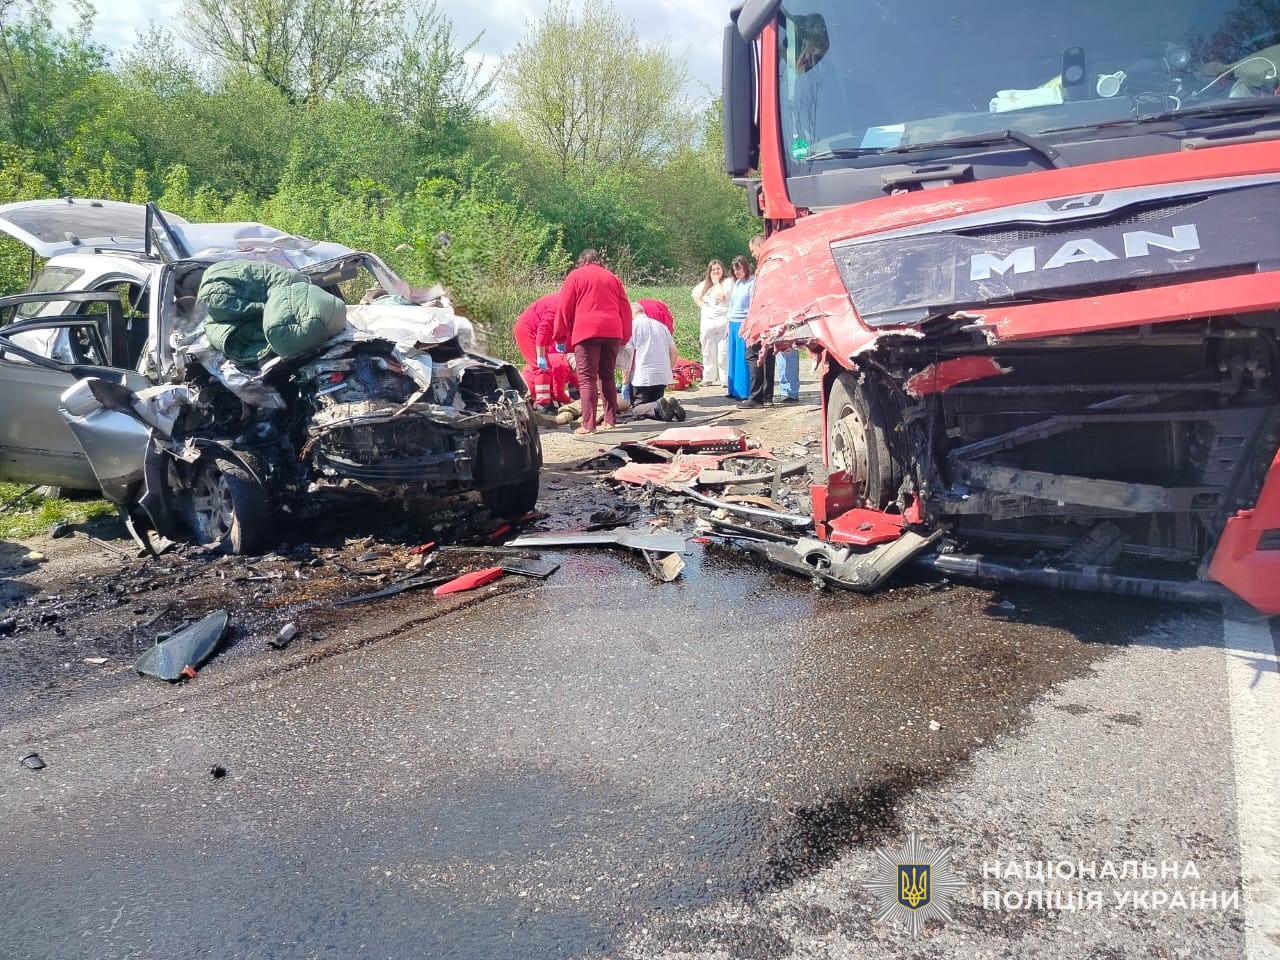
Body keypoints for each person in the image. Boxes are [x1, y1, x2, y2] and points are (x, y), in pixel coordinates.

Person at [553, 249, 632, 435]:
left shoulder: (575, 276)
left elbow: (564, 308)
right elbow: (625, 309)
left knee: (587, 378)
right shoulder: (613, 278)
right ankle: (610, 421)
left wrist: (560, 336)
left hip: (586, 332)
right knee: (607, 376)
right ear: (599, 261)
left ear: (581, 261)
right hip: (613, 332)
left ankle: (589, 425)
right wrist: (625, 336)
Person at [626, 302, 685, 422]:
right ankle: (671, 409)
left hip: (642, 377)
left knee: (636, 409)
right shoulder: (662, 326)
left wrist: (625, 381)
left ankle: (657, 406)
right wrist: (668, 369)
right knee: (661, 411)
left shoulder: (632, 327)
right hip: (662, 376)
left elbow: (628, 355)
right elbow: (674, 352)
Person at [513, 293, 571, 409]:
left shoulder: (570, 305)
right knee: (541, 367)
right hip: (528, 331)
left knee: (549, 368)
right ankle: (543, 404)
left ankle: (548, 400)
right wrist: (540, 356)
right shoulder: (559, 306)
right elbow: (543, 330)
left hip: (543, 333)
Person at [691, 260, 731, 386]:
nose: (715, 271)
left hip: (722, 319)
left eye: (718, 269)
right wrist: (702, 306)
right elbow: (695, 295)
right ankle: (708, 377)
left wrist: (717, 282)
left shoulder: (728, 282)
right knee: (707, 350)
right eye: (713, 270)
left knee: (723, 352)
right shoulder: (704, 284)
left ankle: (725, 378)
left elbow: (721, 297)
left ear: (722, 269)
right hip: (707, 321)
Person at [725, 256, 754, 400]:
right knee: (733, 357)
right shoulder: (737, 283)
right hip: (733, 322)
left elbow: (752, 305)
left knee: (743, 358)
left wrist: (748, 323)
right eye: (734, 270)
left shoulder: (752, 283)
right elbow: (731, 305)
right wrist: (728, 324)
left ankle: (743, 391)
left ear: (745, 268)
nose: (736, 272)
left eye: (739, 269)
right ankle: (733, 389)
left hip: (744, 322)